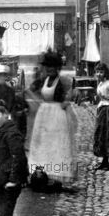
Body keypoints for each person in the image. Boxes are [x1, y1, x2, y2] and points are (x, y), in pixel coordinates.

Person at [27, 51, 77, 185]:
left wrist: (67, 100)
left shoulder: (62, 81)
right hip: (43, 116)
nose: (49, 69)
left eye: (52, 67)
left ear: (57, 68)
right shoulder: (44, 80)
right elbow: (30, 89)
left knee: (56, 144)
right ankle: (41, 174)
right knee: (42, 144)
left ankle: (56, 176)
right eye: (47, 67)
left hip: (57, 116)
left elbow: (72, 92)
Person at [0, 65, 29, 137]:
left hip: (6, 118)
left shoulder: (10, 90)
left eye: (2, 75)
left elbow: (11, 106)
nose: (0, 77)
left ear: (6, 77)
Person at [92, 63, 109, 170]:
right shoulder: (101, 83)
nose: (99, 74)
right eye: (97, 72)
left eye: (101, 72)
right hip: (102, 110)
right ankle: (104, 160)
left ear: (105, 72)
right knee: (101, 133)